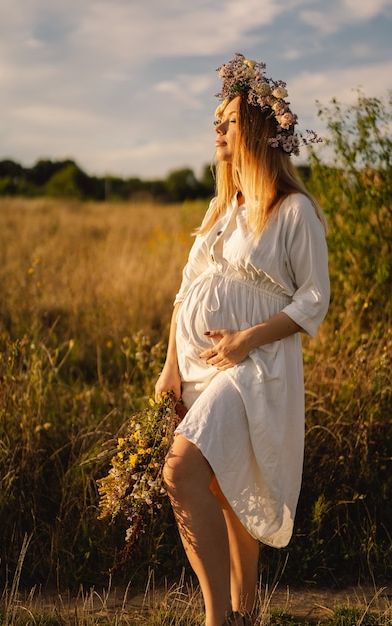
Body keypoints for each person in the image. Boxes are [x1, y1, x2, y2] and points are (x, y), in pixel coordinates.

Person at [155, 53, 330, 626]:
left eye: (228, 119)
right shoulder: (220, 209)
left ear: (255, 129)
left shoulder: (294, 212)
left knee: (180, 472)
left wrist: (246, 340)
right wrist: (169, 364)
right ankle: (245, 615)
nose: (217, 129)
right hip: (200, 367)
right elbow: (187, 290)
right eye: (218, 120)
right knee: (224, 488)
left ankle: (217, 620)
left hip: (255, 368)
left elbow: (313, 300)